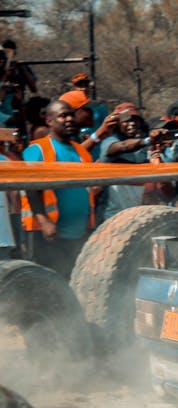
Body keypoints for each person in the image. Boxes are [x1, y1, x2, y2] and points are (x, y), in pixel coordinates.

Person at [20, 100, 94, 277]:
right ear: (49, 121)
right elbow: (29, 187)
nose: (69, 119)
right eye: (63, 115)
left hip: (79, 232)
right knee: (47, 282)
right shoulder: (37, 149)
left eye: (71, 115)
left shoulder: (81, 152)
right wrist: (44, 221)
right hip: (48, 234)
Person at [97, 102, 156, 221]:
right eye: (126, 120)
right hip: (112, 214)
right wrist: (147, 141)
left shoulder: (143, 147)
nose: (132, 123)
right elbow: (123, 146)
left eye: (135, 120)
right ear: (117, 124)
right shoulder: (109, 142)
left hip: (136, 212)